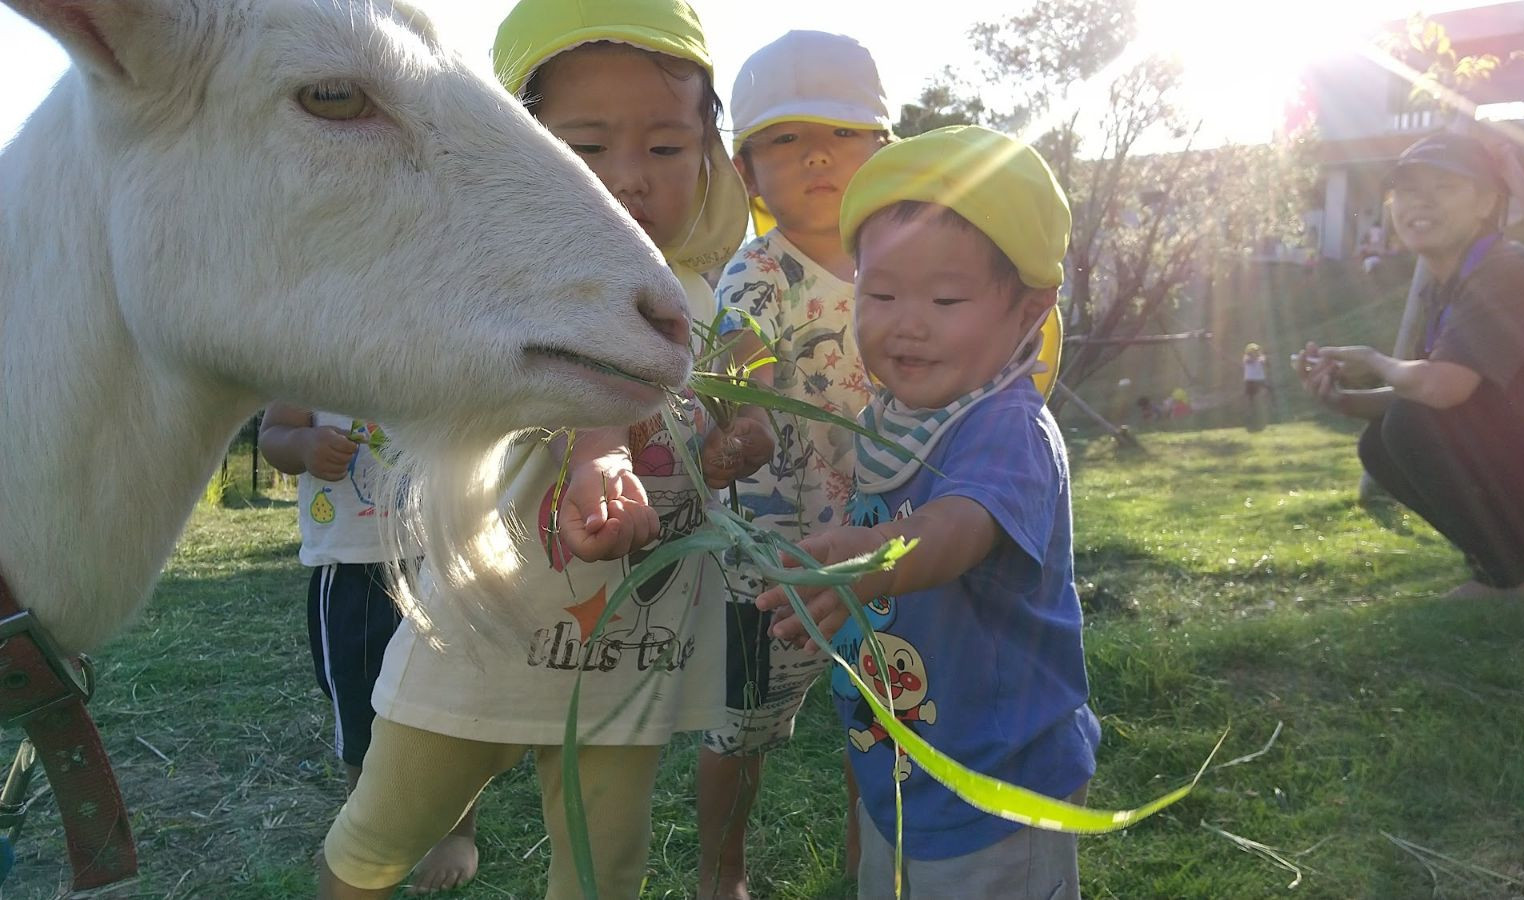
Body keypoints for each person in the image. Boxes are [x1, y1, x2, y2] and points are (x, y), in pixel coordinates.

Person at [315, 1, 769, 897]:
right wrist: (598, 453)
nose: (630, 180)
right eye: (587, 149)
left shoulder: (707, 304)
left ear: (711, 158)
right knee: (377, 840)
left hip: (628, 658)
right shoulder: (490, 292)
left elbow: (730, 416)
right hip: (482, 641)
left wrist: (738, 439)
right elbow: (574, 394)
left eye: (667, 149)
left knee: (605, 871)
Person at [753, 125, 1100, 899]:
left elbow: (957, 529)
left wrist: (871, 556)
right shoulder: (896, 411)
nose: (906, 322)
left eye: (945, 299)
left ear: (1027, 312)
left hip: (997, 777)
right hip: (905, 755)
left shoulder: (1004, 428)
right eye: (879, 294)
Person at [697, 30, 891, 899]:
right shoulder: (760, 268)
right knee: (741, 728)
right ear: (746, 171)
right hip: (769, 563)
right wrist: (746, 407)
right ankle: (720, 874)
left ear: (884, 150)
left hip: (880, 539)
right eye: (785, 138)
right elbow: (739, 348)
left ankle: (869, 863)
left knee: (883, 712)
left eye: (844, 132)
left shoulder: (902, 263)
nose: (818, 152)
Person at [1299, 131, 1524, 598]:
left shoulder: (1505, 271)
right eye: (1408, 190)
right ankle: (1523, 567)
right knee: (1378, 443)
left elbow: (1441, 391)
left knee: (1408, 422)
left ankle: (1519, 583)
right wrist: (1343, 400)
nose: (1422, 202)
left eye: (1443, 187)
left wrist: (1374, 360)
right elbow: (1422, 388)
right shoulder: (1452, 284)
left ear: (1486, 202)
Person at [259, 405, 482, 894]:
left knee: (452, 700)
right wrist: (302, 446)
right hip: (350, 570)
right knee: (360, 709)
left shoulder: (436, 339)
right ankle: (365, 835)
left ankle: (457, 834)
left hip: (437, 560)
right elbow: (272, 433)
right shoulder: (311, 356)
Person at [1242, 342, 1271, 411]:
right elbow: (1249, 360)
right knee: (1250, 397)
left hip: (1260, 379)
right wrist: (1258, 357)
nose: (1255, 352)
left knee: (1267, 391)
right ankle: (1250, 411)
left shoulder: (1261, 358)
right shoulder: (1246, 358)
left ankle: (1268, 407)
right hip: (1250, 380)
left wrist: (1263, 357)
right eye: (1253, 351)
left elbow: (1264, 361)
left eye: (1256, 351)